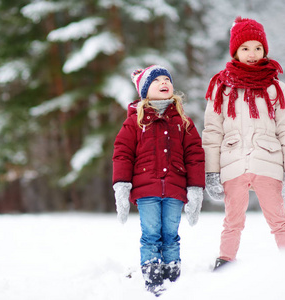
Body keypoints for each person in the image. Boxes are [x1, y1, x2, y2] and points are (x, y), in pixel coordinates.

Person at [202, 17, 285, 270]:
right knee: (232, 220)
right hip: (234, 162)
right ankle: (225, 262)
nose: (252, 54)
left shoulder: (277, 88)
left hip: (268, 162)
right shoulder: (221, 89)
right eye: (245, 48)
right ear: (235, 51)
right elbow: (212, 132)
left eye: (258, 48)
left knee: (279, 219)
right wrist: (211, 172)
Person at [112, 65, 205, 295]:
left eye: (167, 79)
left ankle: (173, 278)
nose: (164, 82)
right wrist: (122, 187)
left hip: (175, 189)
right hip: (146, 191)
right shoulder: (135, 121)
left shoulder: (183, 120)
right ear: (145, 90)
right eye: (157, 80)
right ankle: (153, 280)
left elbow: (194, 154)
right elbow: (123, 153)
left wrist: (195, 188)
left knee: (171, 235)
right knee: (151, 234)